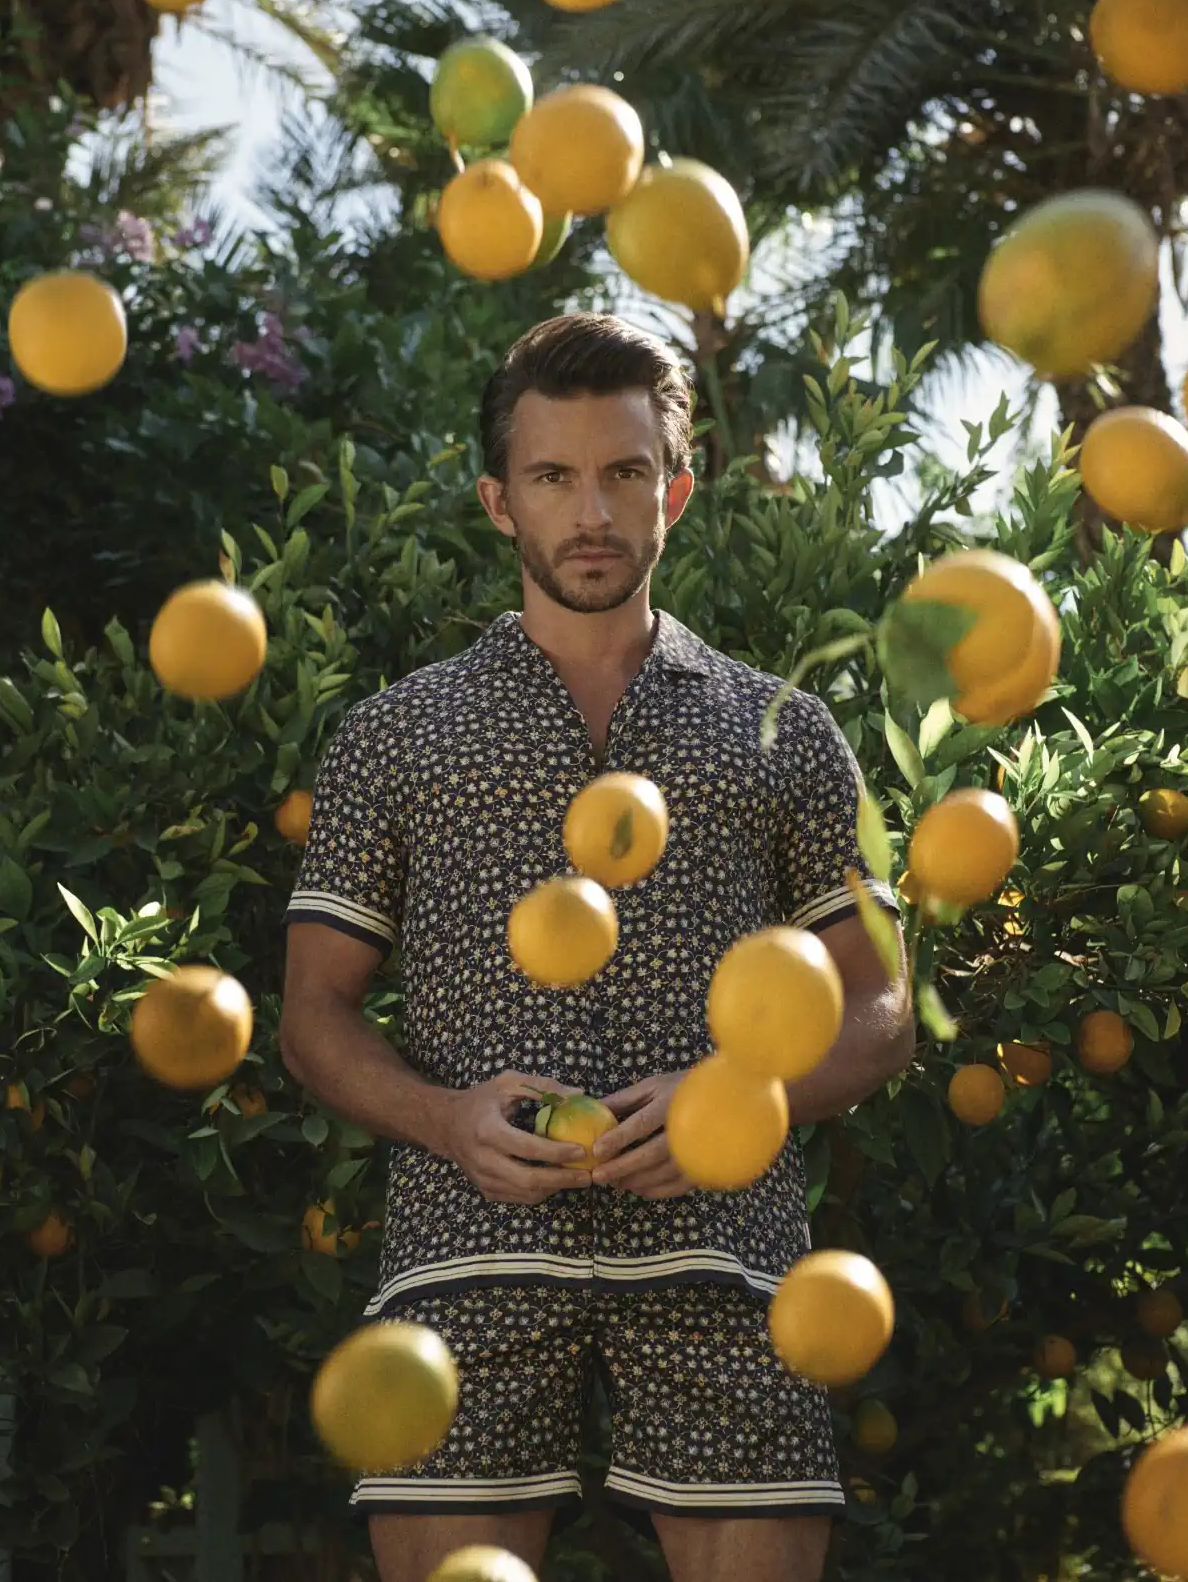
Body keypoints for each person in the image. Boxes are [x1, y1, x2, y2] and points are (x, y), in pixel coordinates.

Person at [279, 312, 911, 1582]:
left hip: (727, 1251)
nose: (591, 511)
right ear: (497, 502)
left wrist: (740, 1103)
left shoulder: (780, 729)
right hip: (464, 1245)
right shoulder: (394, 737)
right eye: (553, 476)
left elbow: (880, 1002)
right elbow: (313, 1018)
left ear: (674, 488)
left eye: (624, 473)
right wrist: (446, 1117)